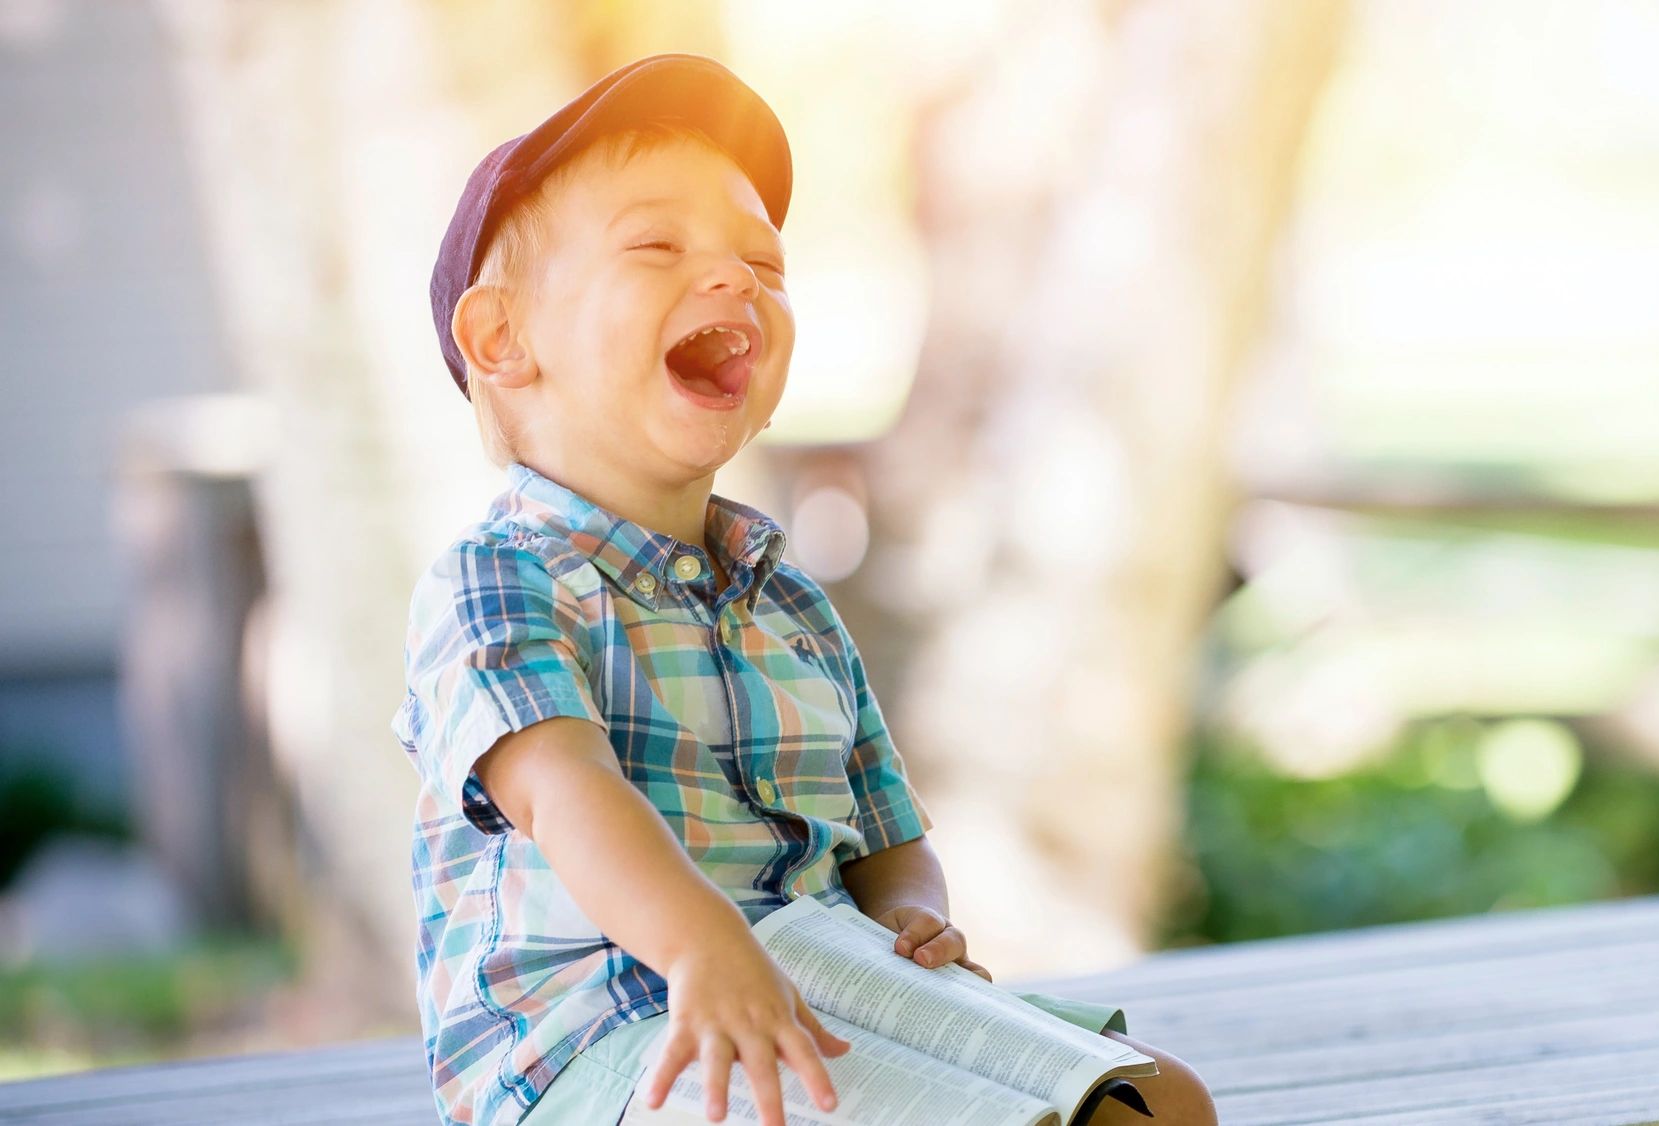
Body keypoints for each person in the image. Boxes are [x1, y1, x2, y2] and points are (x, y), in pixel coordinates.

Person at [394, 53, 1216, 1126]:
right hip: (608, 1044)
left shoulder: (789, 602)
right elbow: (564, 789)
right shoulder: (499, 578)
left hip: (829, 986)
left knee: (1160, 1102)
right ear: (503, 339)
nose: (735, 277)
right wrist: (706, 944)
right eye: (656, 245)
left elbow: (885, 834)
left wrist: (916, 916)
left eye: (762, 261)